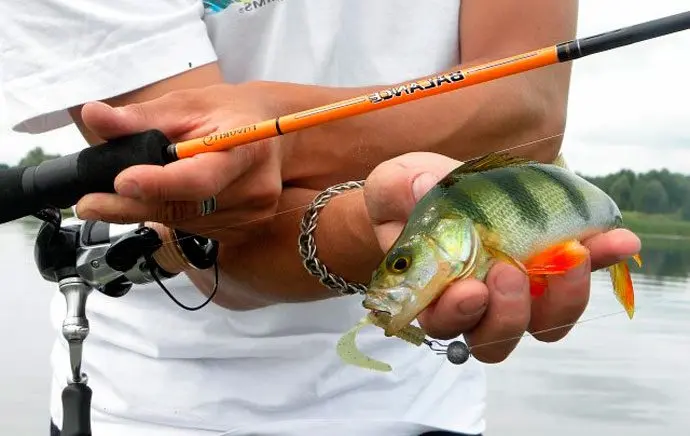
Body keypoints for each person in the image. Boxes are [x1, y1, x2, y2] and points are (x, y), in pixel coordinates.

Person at [1, 0, 641, 435]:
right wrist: (371, 221)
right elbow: (227, 243)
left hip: (424, 410)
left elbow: (528, 112)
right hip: (157, 413)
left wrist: (273, 128)